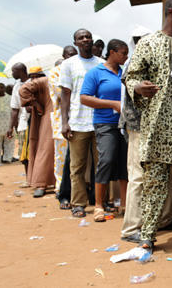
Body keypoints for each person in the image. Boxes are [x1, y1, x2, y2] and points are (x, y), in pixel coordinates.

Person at [124, 0, 172, 251]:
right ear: (170, 12)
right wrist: (138, 87)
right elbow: (130, 77)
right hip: (157, 127)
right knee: (154, 183)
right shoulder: (149, 42)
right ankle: (147, 233)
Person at [119, 34, 172, 243]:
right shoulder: (134, 62)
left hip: (160, 126)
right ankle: (131, 228)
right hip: (139, 125)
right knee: (138, 175)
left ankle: (161, 219)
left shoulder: (163, 56)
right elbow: (131, 89)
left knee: (167, 174)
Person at [80, 39, 129, 222]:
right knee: (106, 160)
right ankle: (99, 205)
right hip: (105, 124)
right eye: (123, 53)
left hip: (125, 125)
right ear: (112, 52)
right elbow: (84, 98)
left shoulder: (125, 72)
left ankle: (124, 205)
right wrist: (112, 104)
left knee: (124, 164)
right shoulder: (96, 73)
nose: (126, 56)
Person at [59, 29, 104, 217]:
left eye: (88, 37)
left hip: (100, 121)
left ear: (92, 40)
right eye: (81, 38)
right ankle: (78, 203)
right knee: (77, 167)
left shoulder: (102, 64)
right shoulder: (69, 64)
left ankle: (102, 202)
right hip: (77, 122)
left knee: (101, 165)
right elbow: (65, 94)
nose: (85, 39)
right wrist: (64, 122)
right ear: (75, 43)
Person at [20, 66, 56, 197]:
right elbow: (24, 90)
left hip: (69, 119)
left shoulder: (68, 79)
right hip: (50, 119)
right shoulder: (47, 81)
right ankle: (41, 183)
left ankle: (60, 184)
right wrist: (35, 103)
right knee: (45, 150)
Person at [50, 45, 78, 209]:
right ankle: (60, 188)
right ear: (63, 55)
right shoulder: (55, 72)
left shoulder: (78, 67)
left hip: (79, 120)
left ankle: (77, 190)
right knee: (61, 158)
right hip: (61, 120)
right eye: (69, 54)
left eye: (74, 54)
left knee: (77, 159)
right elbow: (63, 95)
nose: (72, 57)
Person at [7, 63, 30, 177]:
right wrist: (10, 127)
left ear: (20, 71)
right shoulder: (16, 86)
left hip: (36, 124)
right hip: (23, 124)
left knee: (33, 153)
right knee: (24, 155)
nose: (12, 74)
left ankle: (35, 178)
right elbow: (14, 109)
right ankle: (29, 178)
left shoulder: (33, 83)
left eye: (13, 71)